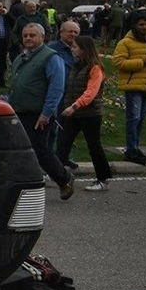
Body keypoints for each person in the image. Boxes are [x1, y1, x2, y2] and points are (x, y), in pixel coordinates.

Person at [7, 23, 75, 199]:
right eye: (25, 35)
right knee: (19, 148)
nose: (28, 38)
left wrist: (46, 113)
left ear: (42, 38)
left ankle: (64, 179)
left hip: (38, 114)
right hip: (19, 111)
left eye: (32, 35)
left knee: (40, 149)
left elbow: (57, 88)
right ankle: (23, 181)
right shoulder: (22, 57)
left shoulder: (51, 57)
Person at [57, 35, 110, 191]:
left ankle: (103, 179)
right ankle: (59, 174)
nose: (72, 49)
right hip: (74, 113)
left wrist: (74, 106)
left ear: (84, 49)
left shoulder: (95, 67)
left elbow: (91, 92)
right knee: (63, 144)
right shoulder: (77, 65)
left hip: (90, 113)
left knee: (94, 147)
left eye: (74, 47)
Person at [113, 11, 146, 164]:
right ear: (135, 25)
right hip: (134, 85)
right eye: (141, 24)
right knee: (133, 118)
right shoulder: (126, 42)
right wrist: (141, 62)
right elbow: (118, 63)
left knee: (141, 118)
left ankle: (135, 146)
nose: (144, 27)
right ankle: (131, 149)